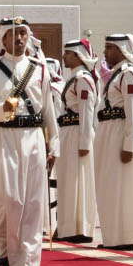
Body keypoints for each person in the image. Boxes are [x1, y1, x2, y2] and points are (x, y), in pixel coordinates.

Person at [0, 18, 60, 266]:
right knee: (7, 199)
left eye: (23, 34)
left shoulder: (40, 69)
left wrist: (54, 144)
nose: (19, 39)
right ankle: (2, 252)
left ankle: (28, 261)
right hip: (5, 137)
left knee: (33, 201)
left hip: (34, 136)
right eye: (13, 34)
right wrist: (3, 110)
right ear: (3, 39)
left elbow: (48, 109)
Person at [96, 34, 133, 251]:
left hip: (120, 132)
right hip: (109, 131)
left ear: (122, 50)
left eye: (110, 48)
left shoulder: (129, 74)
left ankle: (124, 237)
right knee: (110, 187)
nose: (106, 53)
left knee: (123, 188)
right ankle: (113, 236)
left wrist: (129, 145)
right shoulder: (117, 75)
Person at [53, 40, 101, 243]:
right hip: (68, 132)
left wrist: (84, 142)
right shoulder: (74, 78)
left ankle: (78, 228)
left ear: (78, 56)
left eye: (68, 54)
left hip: (77, 134)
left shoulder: (83, 79)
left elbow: (87, 112)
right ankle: (67, 226)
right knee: (68, 182)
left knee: (77, 181)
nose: (64, 57)